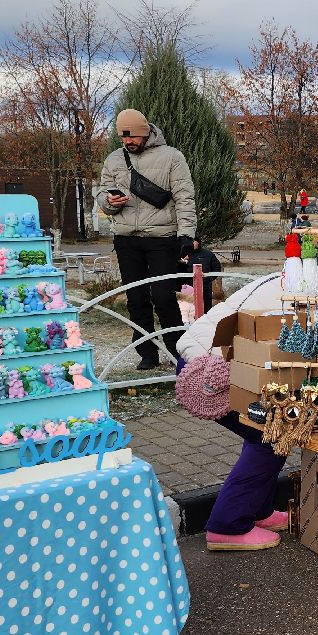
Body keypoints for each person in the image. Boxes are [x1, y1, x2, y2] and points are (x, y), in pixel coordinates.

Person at [176, 273, 290, 552]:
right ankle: (228, 525)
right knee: (268, 437)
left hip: (220, 360)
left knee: (268, 433)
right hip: (210, 370)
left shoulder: (293, 275)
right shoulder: (314, 288)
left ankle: (258, 510)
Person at [97, 108, 197, 370]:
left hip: (162, 238)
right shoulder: (114, 159)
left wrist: (186, 234)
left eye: (132, 136)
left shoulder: (172, 157)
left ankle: (178, 351)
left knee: (164, 298)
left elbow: (184, 197)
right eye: (123, 137)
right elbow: (101, 194)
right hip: (126, 239)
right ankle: (147, 353)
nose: (128, 141)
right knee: (136, 300)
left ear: (145, 132)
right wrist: (109, 201)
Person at [180, 239, 224, 314]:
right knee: (188, 311)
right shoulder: (183, 254)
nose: (191, 243)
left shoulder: (208, 254)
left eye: (193, 241)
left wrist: (209, 278)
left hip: (205, 288)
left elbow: (217, 268)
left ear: (198, 242)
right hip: (187, 289)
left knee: (206, 311)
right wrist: (182, 263)